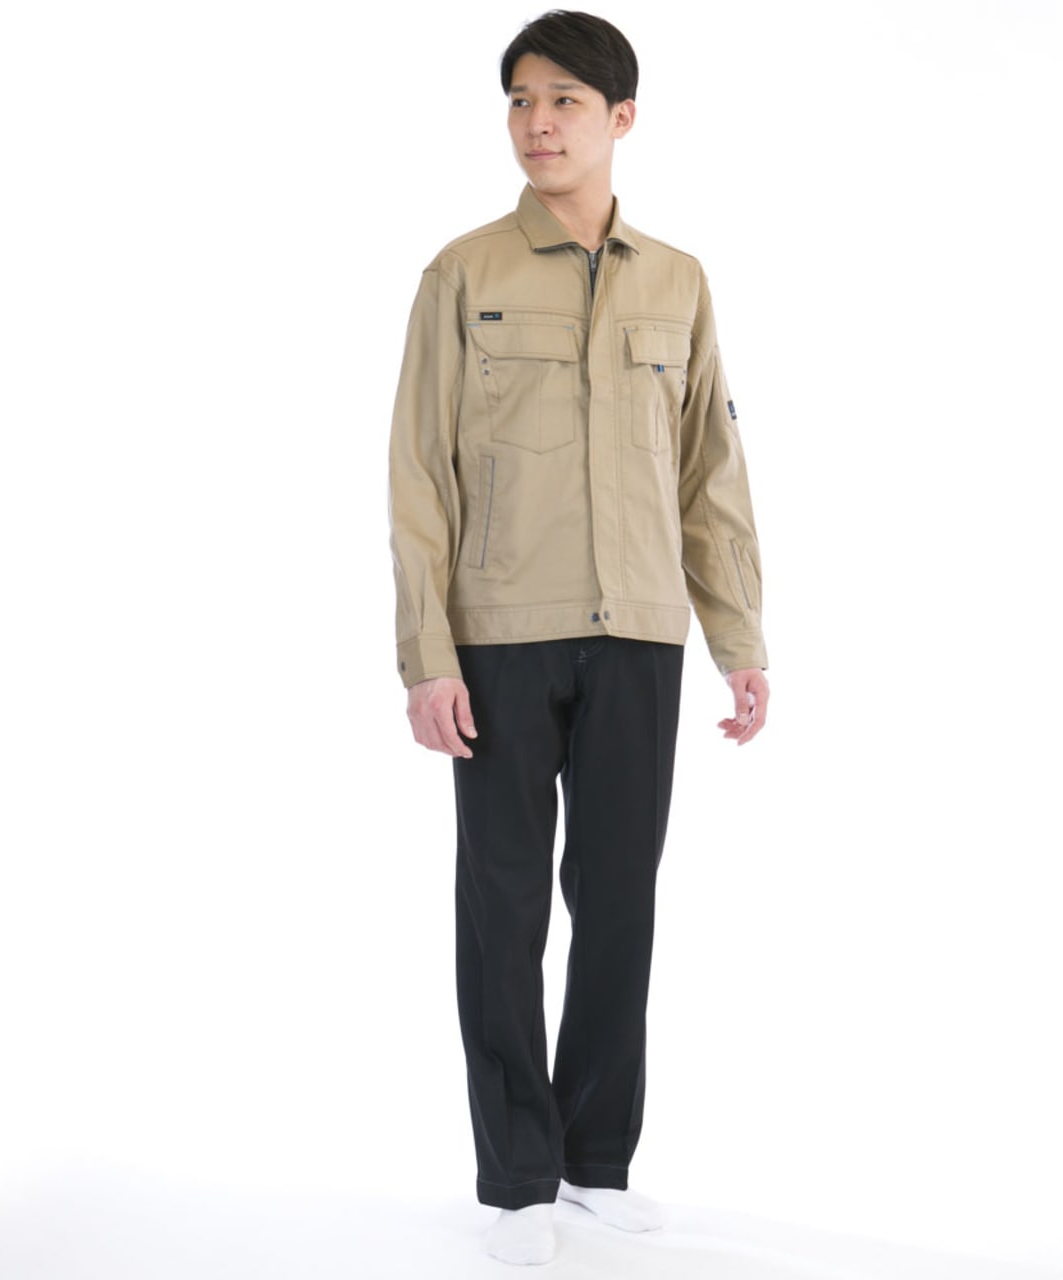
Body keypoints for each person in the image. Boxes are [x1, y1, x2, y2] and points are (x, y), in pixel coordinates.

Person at [387, 10, 769, 1265]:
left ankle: (595, 1160)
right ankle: (517, 1174)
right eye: (518, 100)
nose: (535, 123)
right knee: (500, 905)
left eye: (561, 100)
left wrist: (737, 635)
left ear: (619, 118)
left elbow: (709, 472)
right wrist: (427, 654)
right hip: (500, 631)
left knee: (617, 903)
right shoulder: (462, 274)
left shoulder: (679, 281)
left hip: (642, 630)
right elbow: (417, 475)